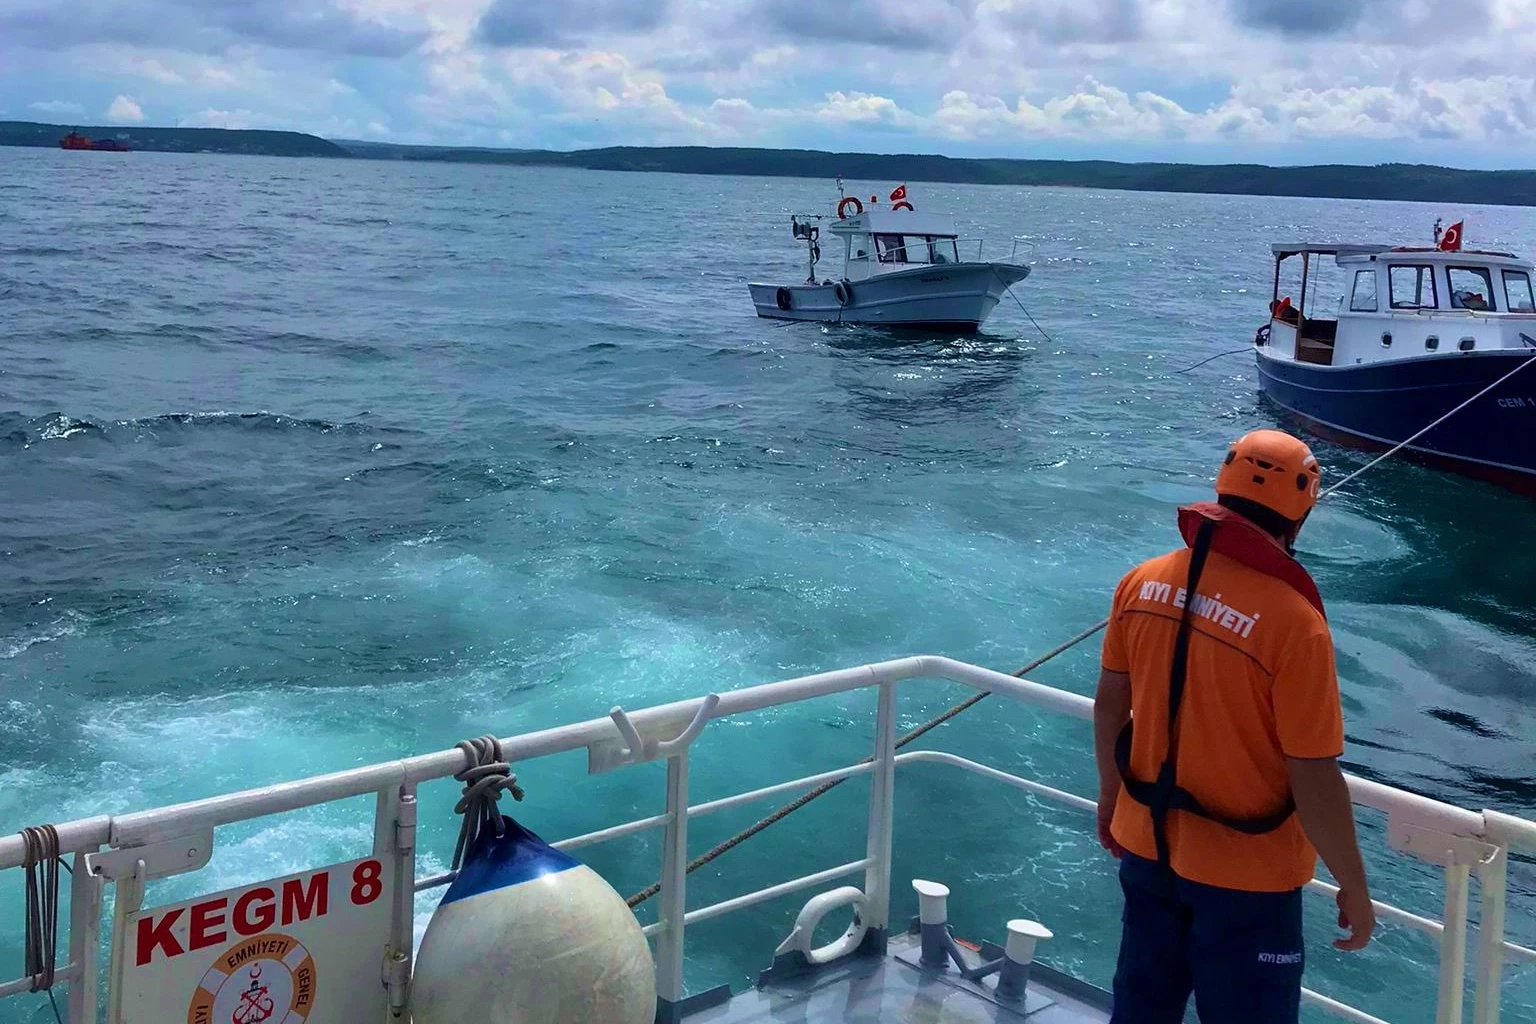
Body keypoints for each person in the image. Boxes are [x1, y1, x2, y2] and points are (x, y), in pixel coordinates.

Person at [1092, 429, 1375, 1024]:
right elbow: (1314, 774)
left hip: (1145, 843)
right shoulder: (1295, 625)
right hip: (1247, 878)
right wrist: (1352, 883)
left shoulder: (1141, 581)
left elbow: (1110, 706)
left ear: (1222, 486)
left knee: (1140, 1008)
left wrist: (1111, 799)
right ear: (1300, 513)